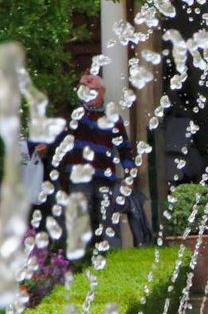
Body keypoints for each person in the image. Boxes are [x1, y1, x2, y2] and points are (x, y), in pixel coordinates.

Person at [39, 72, 138, 248]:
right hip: (79, 179)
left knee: (109, 223)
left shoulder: (113, 118)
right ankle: (80, 259)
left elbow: (125, 150)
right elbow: (67, 105)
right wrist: (80, 84)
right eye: (86, 91)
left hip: (105, 179)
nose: (89, 94)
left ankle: (115, 257)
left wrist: (129, 177)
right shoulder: (78, 113)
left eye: (93, 91)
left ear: (103, 92)